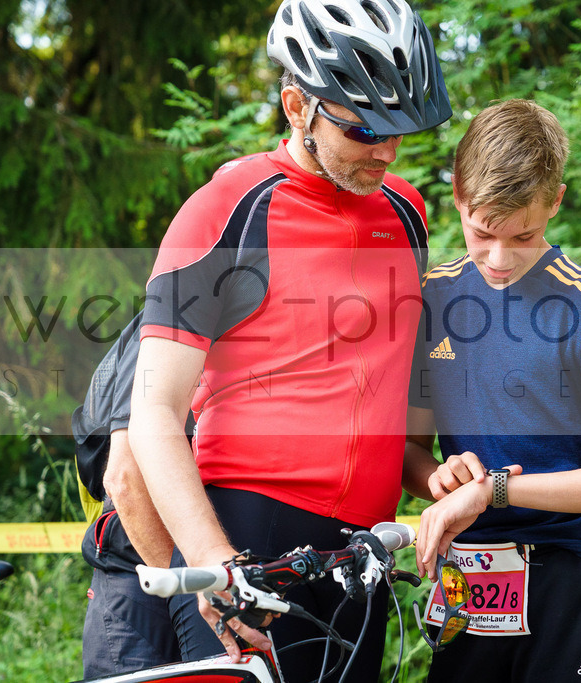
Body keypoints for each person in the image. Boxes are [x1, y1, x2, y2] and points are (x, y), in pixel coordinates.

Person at [121, 1, 452, 681]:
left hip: (362, 549)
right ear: (297, 106)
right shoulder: (226, 209)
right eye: (364, 129)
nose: (387, 151)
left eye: (400, 129)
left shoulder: (406, 211)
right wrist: (216, 563)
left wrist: (432, 475)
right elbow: (153, 410)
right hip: (246, 531)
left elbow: (392, 386)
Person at [399, 99, 581, 682]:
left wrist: (493, 491)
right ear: (458, 196)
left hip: (570, 571)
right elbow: (409, 453)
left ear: (556, 202)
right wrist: (441, 480)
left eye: (524, 234)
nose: (499, 258)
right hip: (467, 576)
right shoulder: (430, 299)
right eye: (482, 232)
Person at [72, 313, 181, 678]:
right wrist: (193, 596)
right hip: (136, 573)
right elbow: (123, 482)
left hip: (160, 568)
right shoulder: (166, 329)